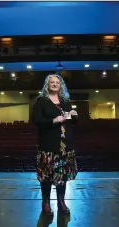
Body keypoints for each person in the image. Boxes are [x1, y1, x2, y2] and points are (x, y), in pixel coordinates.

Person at [32, 74, 78, 215]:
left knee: (61, 176)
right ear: (47, 85)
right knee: (46, 176)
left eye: (57, 82)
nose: (54, 84)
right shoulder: (41, 101)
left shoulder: (65, 101)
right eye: (52, 82)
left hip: (64, 146)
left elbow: (72, 122)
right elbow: (36, 120)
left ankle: (61, 202)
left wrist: (74, 115)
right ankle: (45, 203)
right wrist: (54, 120)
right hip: (48, 145)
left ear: (60, 85)